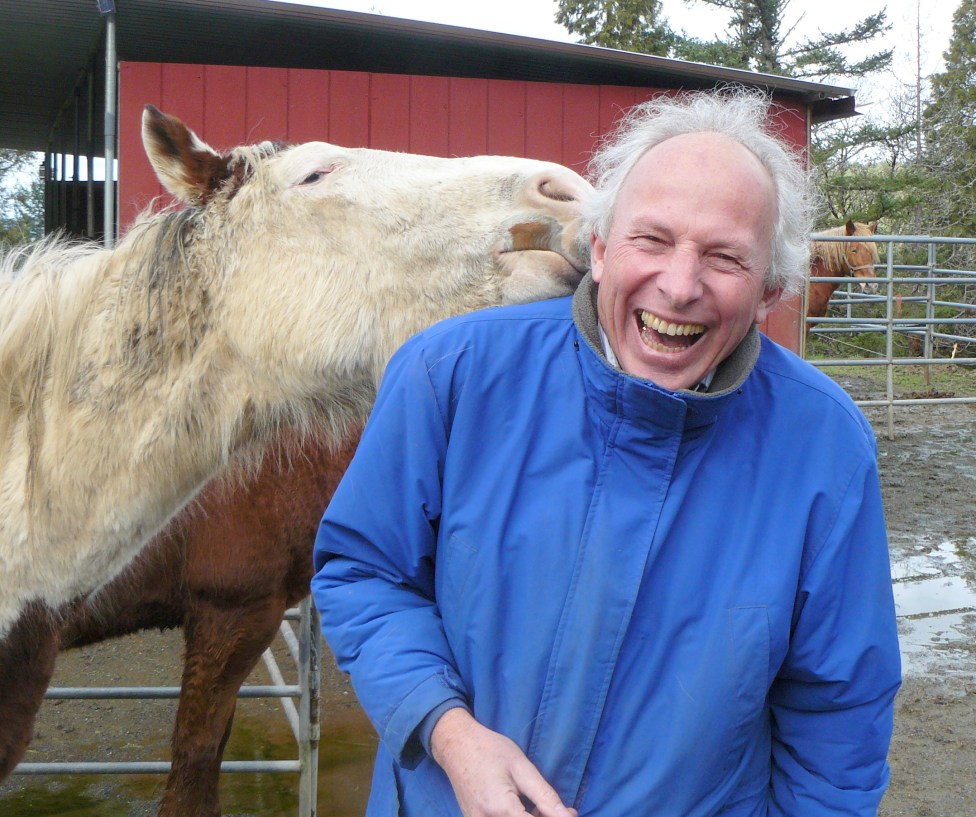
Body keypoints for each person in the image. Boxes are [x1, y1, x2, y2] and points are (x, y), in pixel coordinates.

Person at [311, 89, 901, 817]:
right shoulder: (450, 375)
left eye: (723, 257)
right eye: (651, 240)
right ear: (597, 245)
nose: (679, 287)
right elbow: (362, 572)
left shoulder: (825, 446)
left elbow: (840, 715)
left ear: (767, 291)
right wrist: (448, 731)